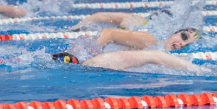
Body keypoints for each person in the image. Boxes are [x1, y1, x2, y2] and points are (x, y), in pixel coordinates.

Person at [53, 27, 205, 73]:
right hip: (95, 65)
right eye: (183, 37)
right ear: (174, 33)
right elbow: (110, 33)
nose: (181, 44)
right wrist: (89, 55)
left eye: (186, 44)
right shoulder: (150, 41)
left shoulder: (163, 54)